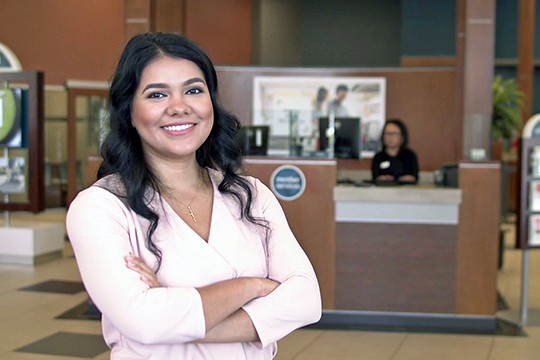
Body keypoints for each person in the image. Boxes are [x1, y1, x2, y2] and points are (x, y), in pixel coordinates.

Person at [66, 32, 321, 359]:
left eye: (193, 90)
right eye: (157, 94)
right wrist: (252, 286)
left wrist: (177, 312)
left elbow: (307, 301)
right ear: (129, 111)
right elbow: (144, 322)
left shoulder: (250, 195)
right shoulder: (100, 208)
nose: (179, 107)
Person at [371, 118, 419, 183]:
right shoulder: (378, 157)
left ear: (402, 137)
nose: (390, 137)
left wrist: (405, 179)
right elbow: (375, 177)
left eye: (394, 134)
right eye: (387, 133)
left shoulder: (410, 156)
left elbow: (414, 177)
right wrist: (383, 179)